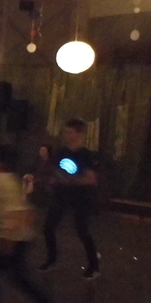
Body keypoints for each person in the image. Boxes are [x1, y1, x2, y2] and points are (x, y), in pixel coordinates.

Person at [0, 144, 68, 303]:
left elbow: (19, 215)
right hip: (5, 237)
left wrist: (8, 241)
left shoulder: (3, 182)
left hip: (11, 239)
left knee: (12, 276)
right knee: (5, 276)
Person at [40, 118, 100, 279]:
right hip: (62, 195)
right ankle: (52, 259)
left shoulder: (85, 155)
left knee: (82, 231)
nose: (66, 135)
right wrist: (52, 178)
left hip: (81, 197)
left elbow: (91, 179)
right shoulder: (61, 153)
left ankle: (94, 266)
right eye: (65, 131)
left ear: (79, 134)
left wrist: (70, 180)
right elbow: (55, 171)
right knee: (48, 227)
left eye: (70, 132)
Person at [24, 143, 56, 210]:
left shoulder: (51, 162)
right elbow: (34, 169)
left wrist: (37, 178)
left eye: (43, 150)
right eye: (40, 150)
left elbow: (50, 173)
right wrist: (31, 175)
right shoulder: (38, 160)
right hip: (37, 177)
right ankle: (27, 197)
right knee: (27, 177)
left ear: (47, 152)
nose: (41, 152)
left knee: (34, 183)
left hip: (45, 179)